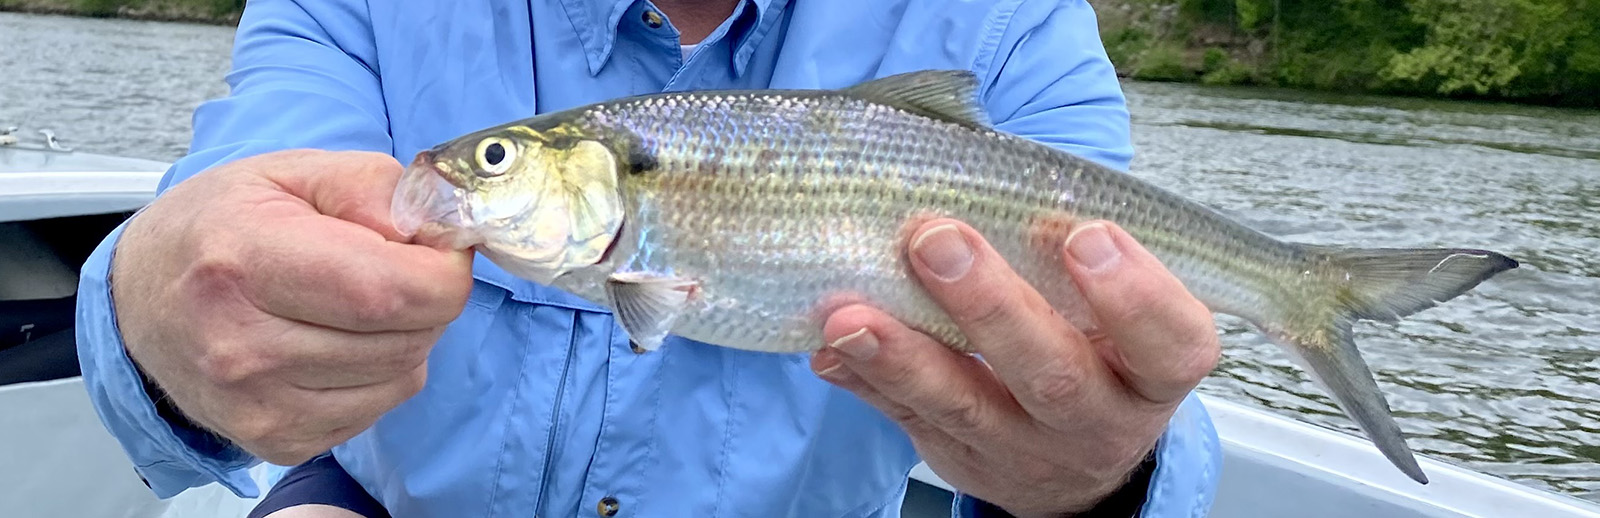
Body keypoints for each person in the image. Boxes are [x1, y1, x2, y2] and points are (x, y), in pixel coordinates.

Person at [75, 0, 1224, 516]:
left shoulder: (1011, 22)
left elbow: (1135, 396)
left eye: (491, 159)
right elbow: (221, 236)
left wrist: (1092, 479)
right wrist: (166, 310)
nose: (462, 173)